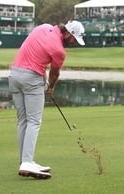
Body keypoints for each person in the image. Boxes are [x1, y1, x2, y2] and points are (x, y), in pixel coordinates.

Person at [9, 20, 85, 179]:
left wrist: (43, 79)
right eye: (74, 39)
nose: (73, 43)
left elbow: (36, 55)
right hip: (31, 79)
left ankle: (25, 161)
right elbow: (55, 73)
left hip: (14, 75)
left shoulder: (43, 27)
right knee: (34, 121)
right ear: (69, 33)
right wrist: (50, 87)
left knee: (22, 120)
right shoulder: (59, 50)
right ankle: (27, 161)